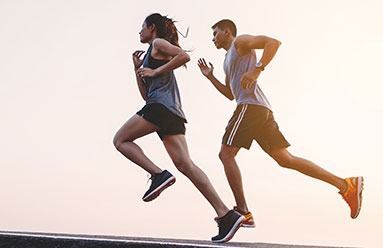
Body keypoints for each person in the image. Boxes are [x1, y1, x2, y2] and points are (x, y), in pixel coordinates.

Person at [197, 19, 364, 226]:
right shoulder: (227, 60)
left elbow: (273, 43)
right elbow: (230, 94)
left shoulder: (240, 42)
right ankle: (346, 185)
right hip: (259, 109)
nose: (212, 38)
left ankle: (243, 212)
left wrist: (258, 69)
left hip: (250, 107)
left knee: (225, 154)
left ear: (227, 31)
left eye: (215, 33)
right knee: (285, 159)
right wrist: (210, 77)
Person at [113, 14, 244, 243]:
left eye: (142, 27)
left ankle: (158, 174)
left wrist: (155, 71)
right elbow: (146, 95)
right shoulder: (149, 56)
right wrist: (138, 70)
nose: (139, 32)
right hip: (169, 112)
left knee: (120, 140)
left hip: (162, 110)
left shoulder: (158, 43)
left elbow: (183, 56)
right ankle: (226, 215)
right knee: (187, 165)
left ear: (152, 27)